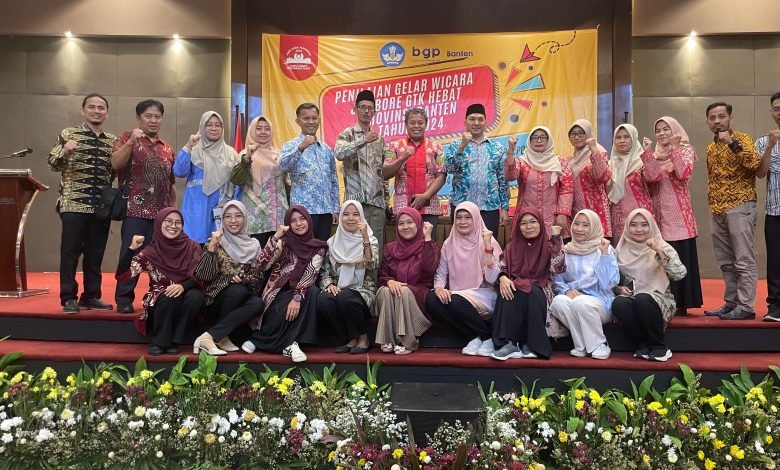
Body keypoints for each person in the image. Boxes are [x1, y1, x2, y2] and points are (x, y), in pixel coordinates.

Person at [48, 93, 116, 314]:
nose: (96, 111)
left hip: (101, 207)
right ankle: (68, 297)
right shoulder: (69, 134)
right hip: (73, 204)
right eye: (92, 107)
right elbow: (52, 163)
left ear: (107, 113)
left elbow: (114, 171)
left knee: (96, 254)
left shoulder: (112, 140)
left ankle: (91, 296)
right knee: (70, 253)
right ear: (83, 110)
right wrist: (65, 151)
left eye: (101, 108)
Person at [111, 99, 176, 313]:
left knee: (160, 259)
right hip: (135, 211)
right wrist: (131, 142)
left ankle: (156, 297)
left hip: (161, 216)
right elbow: (115, 163)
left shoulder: (167, 148)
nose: (153, 120)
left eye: (157, 116)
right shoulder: (127, 138)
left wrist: (172, 212)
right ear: (138, 118)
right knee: (131, 256)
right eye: (148, 116)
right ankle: (123, 299)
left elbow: (170, 184)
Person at [241, 206, 328, 362]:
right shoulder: (283, 243)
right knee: (285, 305)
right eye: (293, 220)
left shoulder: (318, 248)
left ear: (309, 221)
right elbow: (261, 265)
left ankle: (264, 341)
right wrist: (275, 237)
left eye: (302, 219)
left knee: (312, 292)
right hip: (277, 293)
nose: (299, 223)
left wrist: (297, 298)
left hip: (300, 292)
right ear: (288, 224)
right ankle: (288, 344)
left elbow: (310, 274)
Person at [115, 208, 204, 355]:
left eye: (178, 222)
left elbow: (200, 274)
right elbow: (123, 275)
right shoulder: (151, 251)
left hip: (187, 290)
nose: (173, 226)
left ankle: (174, 340)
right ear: (159, 223)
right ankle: (160, 341)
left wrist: (182, 286)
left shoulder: (192, 246)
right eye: (168, 221)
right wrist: (132, 249)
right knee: (170, 296)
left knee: (196, 297)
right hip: (160, 297)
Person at [703, 102, 761, 320]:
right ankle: (731, 303)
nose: (717, 121)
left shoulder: (743, 138)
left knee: (743, 259)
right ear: (707, 122)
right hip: (717, 209)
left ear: (730, 118)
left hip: (740, 205)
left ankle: (746, 306)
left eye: (721, 116)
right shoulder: (710, 148)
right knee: (726, 261)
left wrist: (733, 144)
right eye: (712, 118)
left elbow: (754, 164)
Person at [642, 116, 702, 315]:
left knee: (678, 254)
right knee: (660, 256)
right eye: (658, 130)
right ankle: (664, 301)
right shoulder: (655, 154)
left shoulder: (685, 150)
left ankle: (682, 303)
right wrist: (647, 154)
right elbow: (651, 177)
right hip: (657, 214)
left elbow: (683, 174)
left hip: (678, 215)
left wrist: (675, 150)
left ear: (675, 130)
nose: (661, 133)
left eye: (666, 129)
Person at [425, 201, 503, 356]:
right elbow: (441, 273)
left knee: (455, 300)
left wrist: (488, 249)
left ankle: (486, 337)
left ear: (476, 219)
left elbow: (493, 278)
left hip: (484, 294)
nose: (462, 222)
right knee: (432, 299)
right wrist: (439, 288)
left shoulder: (487, 240)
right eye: (458, 217)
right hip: (458, 296)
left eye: (467, 217)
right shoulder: (449, 243)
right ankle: (477, 336)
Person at [490, 208, 565, 360]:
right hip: (516, 284)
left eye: (533, 222)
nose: (528, 227)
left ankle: (530, 344)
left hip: (541, 287)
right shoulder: (512, 247)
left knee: (529, 291)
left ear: (540, 224)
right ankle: (508, 344)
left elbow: (558, 268)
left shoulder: (548, 245)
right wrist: (503, 278)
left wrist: (557, 238)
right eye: (523, 223)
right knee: (507, 290)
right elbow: (503, 267)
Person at [612, 209, 687, 362]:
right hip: (632, 297)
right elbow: (610, 280)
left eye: (644, 225)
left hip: (660, 298)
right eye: (633, 225)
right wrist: (618, 289)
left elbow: (679, 274)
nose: (639, 229)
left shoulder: (662, 247)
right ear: (627, 227)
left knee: (643, 299)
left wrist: (659, 251)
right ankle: (642, 345)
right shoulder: (619, 250)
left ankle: (659, 346)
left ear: (651, 226)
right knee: (619, 303)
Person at [193, 201, 265, 355]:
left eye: (238, 216)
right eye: (228, 216)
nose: (233, 221)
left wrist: (245, 279)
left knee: (258, 303)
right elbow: (204, 276)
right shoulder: (215, 240)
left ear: (245, 218)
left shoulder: (254, 245)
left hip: (242, 298)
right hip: (215, 300)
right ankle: (221, 336)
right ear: (222, 220)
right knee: (237, 290)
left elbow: (259, 279)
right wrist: (212, 247)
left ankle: (213, 336)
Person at [550, 209, 619, 360]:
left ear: (594, 227)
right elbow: (558, 279)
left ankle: (600, 344)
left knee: (581, 303)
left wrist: (604, 256)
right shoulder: (566, 250)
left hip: (601, 302)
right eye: (577, 224)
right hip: (574, 299)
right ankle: (581, 345)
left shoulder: (604, 249)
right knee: (558, 302)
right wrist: (566, 291)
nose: (579, 229)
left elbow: (608, 284)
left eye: (586, 225)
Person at [317, 200, 379, 353]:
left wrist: (365, 239)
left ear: (361, 218)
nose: (351, 218)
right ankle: (349, 337)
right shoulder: (333, 242)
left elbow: (372, 264)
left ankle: (363, 337)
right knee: (324, 300)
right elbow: (324, 271)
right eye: (346, 214)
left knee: (346, 297)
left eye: (356, 214)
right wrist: (329, 284)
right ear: (340, 217)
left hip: (363, 292)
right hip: (339, 290)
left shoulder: (371, 239)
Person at [375, 208, 440, 354]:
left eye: (410, 222)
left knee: (402, 291)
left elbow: (429, 270)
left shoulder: (430, 246)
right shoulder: (389, 249)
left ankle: (408, 341)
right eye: (401, 223)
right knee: (385, 291)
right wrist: (390, 281)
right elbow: (382, 274)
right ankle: (388, 339)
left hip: (419, 293)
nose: (405, 227)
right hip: (394, 291)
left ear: (418, 224)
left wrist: (427, 238)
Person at [334, 90, 388, 259]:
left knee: (375, 249)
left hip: (376, 204)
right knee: (354, 249)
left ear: (374, 112)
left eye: (370, 108)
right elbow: (339, 153)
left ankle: (373, 277)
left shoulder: (380, 140)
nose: (366, 111)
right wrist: (363, 140)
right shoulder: (347, 134)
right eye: (362, 107)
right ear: (355, 109)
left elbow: (383, 173)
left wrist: (386, 202)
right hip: (354, 205)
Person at [444, 103, 509, 236]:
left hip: (489, 208)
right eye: (472, 119)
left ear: (486, 123)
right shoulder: (455, 145)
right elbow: (449, 169)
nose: (476, 123)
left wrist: (505, 208)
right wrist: (462, 147)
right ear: (465, 123)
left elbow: (503, 180)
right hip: (462, 208)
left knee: (488, 245)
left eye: (480, 119)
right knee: (461, 246)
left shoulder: (497, 148)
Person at [174, 111, 238, 244]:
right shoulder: (194, 150)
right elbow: (179, 171)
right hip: (196, 210)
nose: (214, 128)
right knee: (195, 250)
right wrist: (188, 147)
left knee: (220, 250)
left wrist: (232, 204)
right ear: (202, 127)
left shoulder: (231, 153)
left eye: (218, 125)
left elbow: (237, 184)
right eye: (209, 125)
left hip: (222, 209)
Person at [279, 103, 340, 242]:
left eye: (314, 118)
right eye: (306, 118)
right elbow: (283, 166)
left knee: (321, 249)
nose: (311, 122)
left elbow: (333, 180)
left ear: (319, 120)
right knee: (303, 249)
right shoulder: (290, 146)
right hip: (302, 214)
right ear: (298, 121)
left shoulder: (326, 150)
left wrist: (335, 209)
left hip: (325, 211)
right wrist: (300, 148)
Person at [384, 108, 447, 237]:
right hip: (403, 207)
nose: (416, 126)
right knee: (405, 246)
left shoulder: (436, 147)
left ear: (426, 124)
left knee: (428, 244)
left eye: (420, 123)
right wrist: (402, 158)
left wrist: (425, 196)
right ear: (406, 124)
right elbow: (385, 173)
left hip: (429, 208)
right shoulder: (394, 147)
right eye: (412, 123)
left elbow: (441, 176)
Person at [230, 116, 288, 246]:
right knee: (258, 253)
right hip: (256, 218)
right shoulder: (244, 154)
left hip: (279, 216)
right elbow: (236, 179)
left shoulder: (280, 154)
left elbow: (286, 183)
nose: (263, 132)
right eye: (259, 128)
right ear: (252, 131)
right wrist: (248, 158)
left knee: (278, 252)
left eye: (267, 129)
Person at [505, 126, 573, 234]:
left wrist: (562, 213)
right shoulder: (522, 161)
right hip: (527, 217)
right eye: (535, 137)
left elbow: (567, 188)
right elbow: (510, 176)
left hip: (552, 217)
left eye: (543, 137)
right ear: (529, 141)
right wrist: (510, 152)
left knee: (552, 243)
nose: (539, 140)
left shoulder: (559, 162)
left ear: (548, 140)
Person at [566, 119, 613, 239]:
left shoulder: (598, 152)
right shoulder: (571, 159)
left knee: (598, 246)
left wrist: (593, 149)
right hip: (577, 213)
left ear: (588, 134)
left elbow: (603, 176)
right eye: (573, 134)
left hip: (596, 210)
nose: (577, 137)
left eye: (581, 133)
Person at [756, 92, 780, 321]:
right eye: (776, 108)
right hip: (775, 211)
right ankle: (775, 307)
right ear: (772, 113)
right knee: (775, 261)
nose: (779, 112)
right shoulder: (764, 141)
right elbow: (760, 173)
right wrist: (771, 146)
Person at [608, 123, 654, 241]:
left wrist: (648, 153)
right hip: (617, 215)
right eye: (618, 137)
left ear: (633, 138)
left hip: (639, 216)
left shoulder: (642, 162)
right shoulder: (610, 164)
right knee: (620, 248)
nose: (622, 140)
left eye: (626, 137)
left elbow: (654, 176)